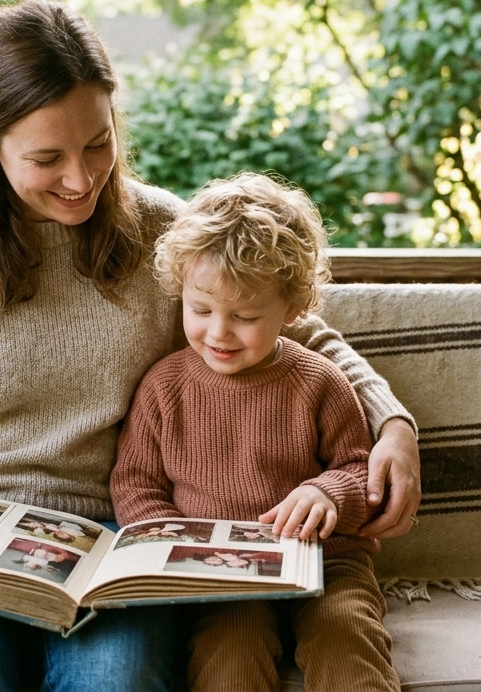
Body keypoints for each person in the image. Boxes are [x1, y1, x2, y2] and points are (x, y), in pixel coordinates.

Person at [0, 0, 420, 692]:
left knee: (118, 678)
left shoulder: (161, 227)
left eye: (97, 143)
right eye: (48, 158)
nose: (82, 180)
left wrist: (392, 423)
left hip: (109, 541)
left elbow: (293, 330)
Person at [111, 172, 405, 692]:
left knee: (346, 639)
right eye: (200, 310)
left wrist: (326, 492)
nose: (218, 332)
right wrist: (173, 544)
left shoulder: (319, 381)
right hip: (220, 576)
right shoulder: (164, 386)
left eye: (244, 315)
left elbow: (359, 469)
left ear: (291, 309)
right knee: (228, 655)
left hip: (326, 563)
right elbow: (135, 484)